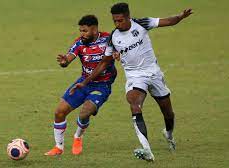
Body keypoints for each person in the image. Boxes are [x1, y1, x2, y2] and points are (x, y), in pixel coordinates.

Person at [70, 3, 193, 161]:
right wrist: (85, 82)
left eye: (120, 20)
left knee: (168, 113)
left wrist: (180, 17)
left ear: (128, 17)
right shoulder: (113, 38)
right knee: (134, 103)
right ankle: (146, 149)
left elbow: (167, 21)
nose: (117, 24)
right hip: (135, 77)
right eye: (115, 21)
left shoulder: (142, 23)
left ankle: (168, 133)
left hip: (154, 73)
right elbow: (103, 63)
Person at [44, 15, 116, 156]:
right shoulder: (79, 42)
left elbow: (113, 57)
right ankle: (59, 147)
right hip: (83, 83)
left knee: (85, 112)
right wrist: (64, 61)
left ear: (94, 30)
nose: (81, 34)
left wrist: (119, 54)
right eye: (80, 31)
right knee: (59, 112)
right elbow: (69, 58)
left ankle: (78, 137)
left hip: (101, 85)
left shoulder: (108, 39)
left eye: (84, 31)